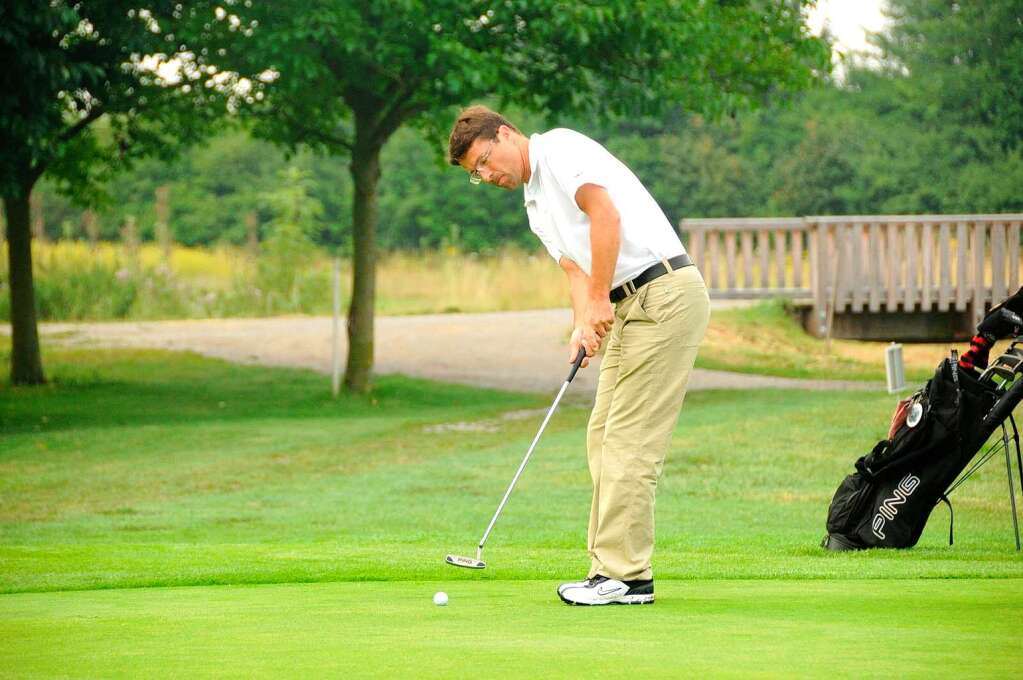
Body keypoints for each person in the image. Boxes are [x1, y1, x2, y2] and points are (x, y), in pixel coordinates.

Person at [447, 105, 710, 605]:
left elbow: (604, 216)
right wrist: (582, 323)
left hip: (664, 292)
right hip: (625, 305)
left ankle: (627, 577)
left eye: (484, 161)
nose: (487, 175)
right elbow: (574, 272)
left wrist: (596, 303)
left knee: (629, 441)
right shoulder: (534, 205)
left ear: (504, 134)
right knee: (602, 436)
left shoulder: (560, 149)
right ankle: (607, 569)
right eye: (476, 175)